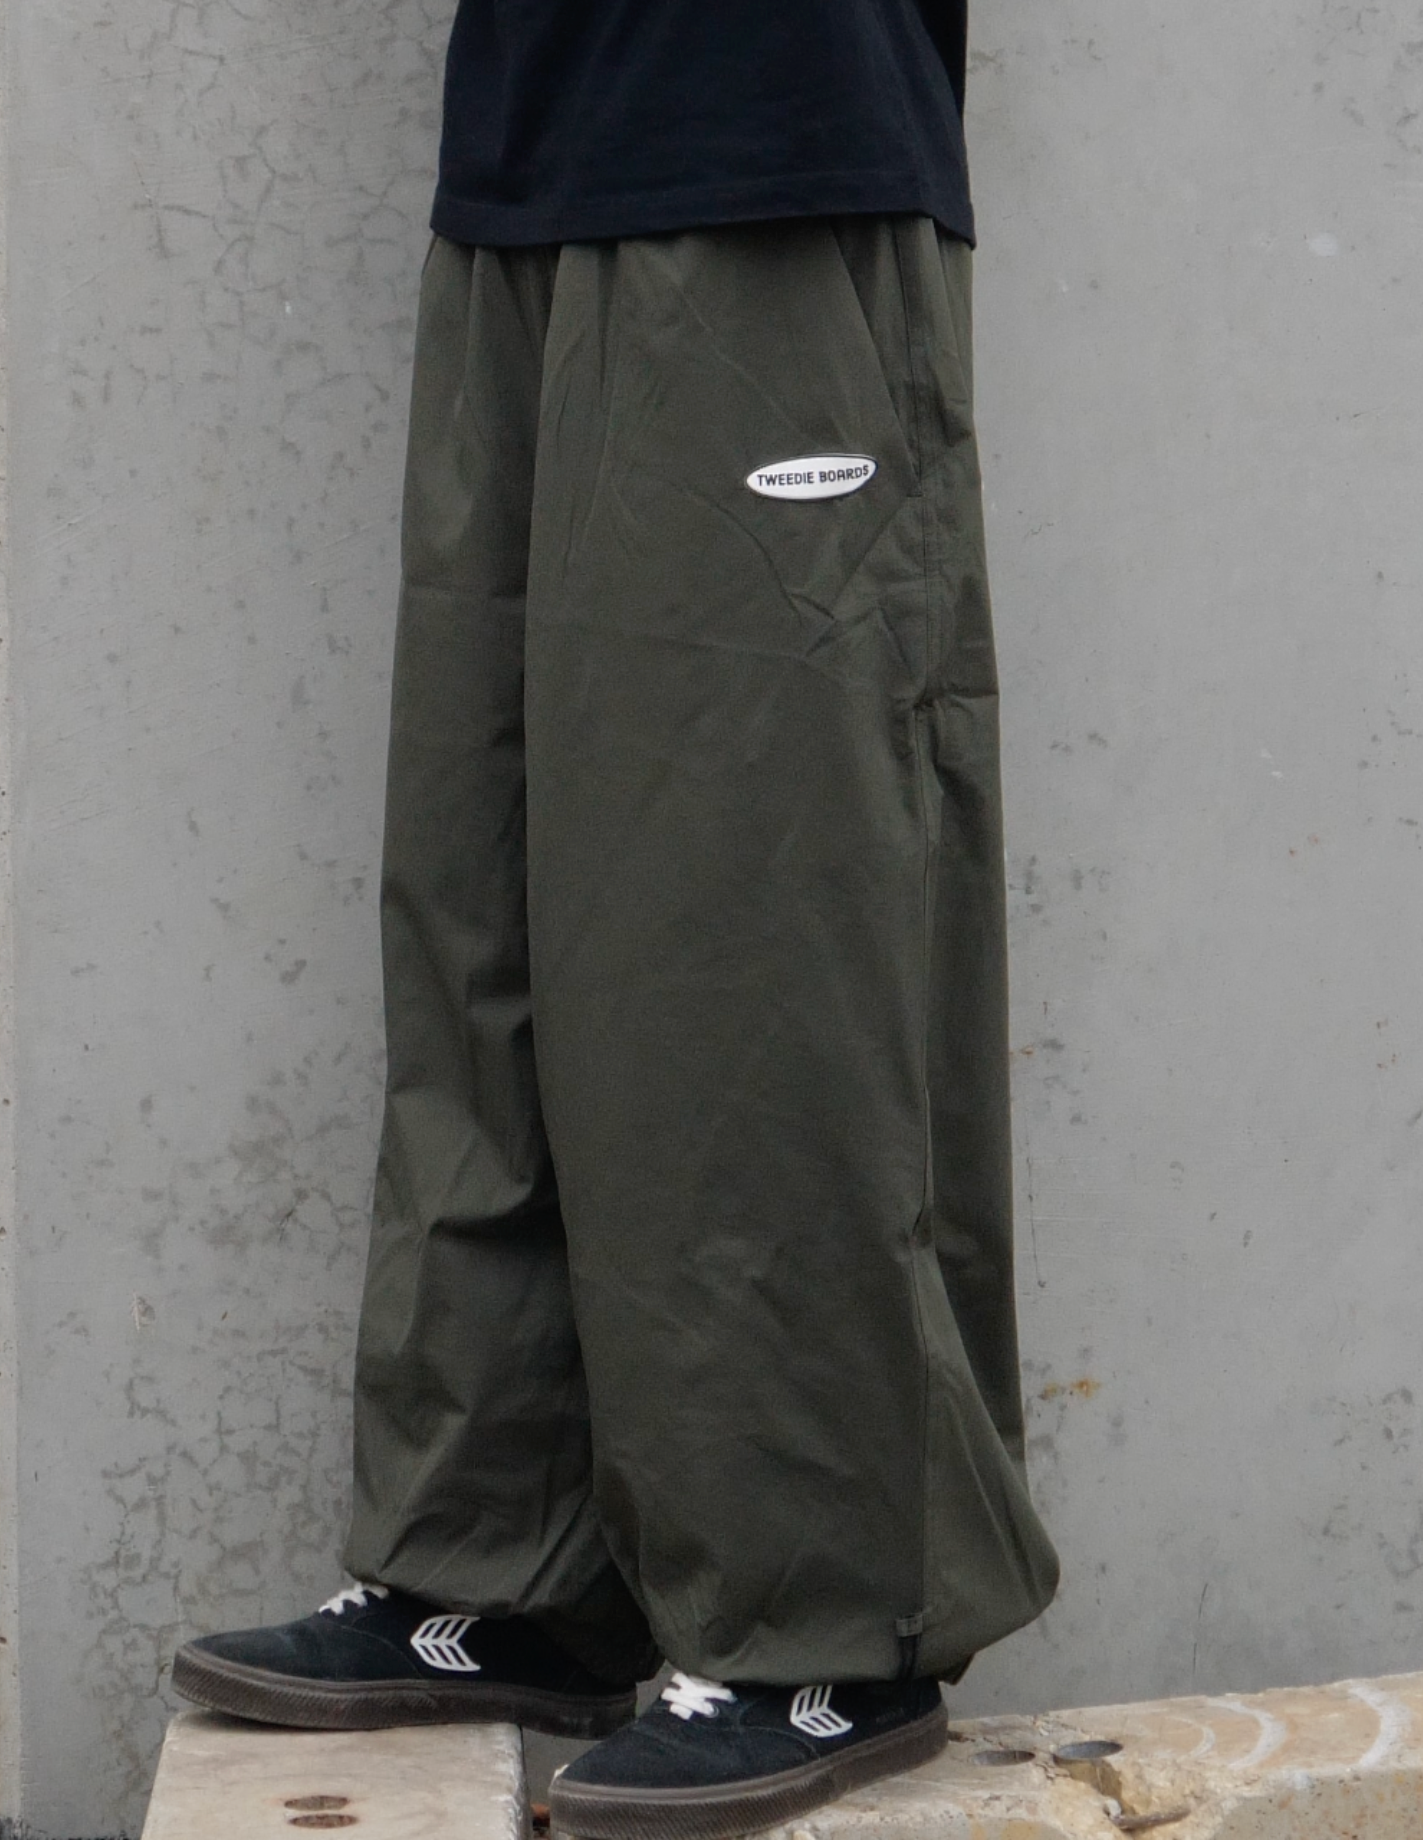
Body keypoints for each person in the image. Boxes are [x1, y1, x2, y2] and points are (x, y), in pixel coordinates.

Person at [171, 4, 1060, 1834]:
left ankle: (833, 1621)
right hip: (529, 147)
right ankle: (506, 1561)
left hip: (773, 151)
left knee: (747, 917)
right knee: (482, 902)